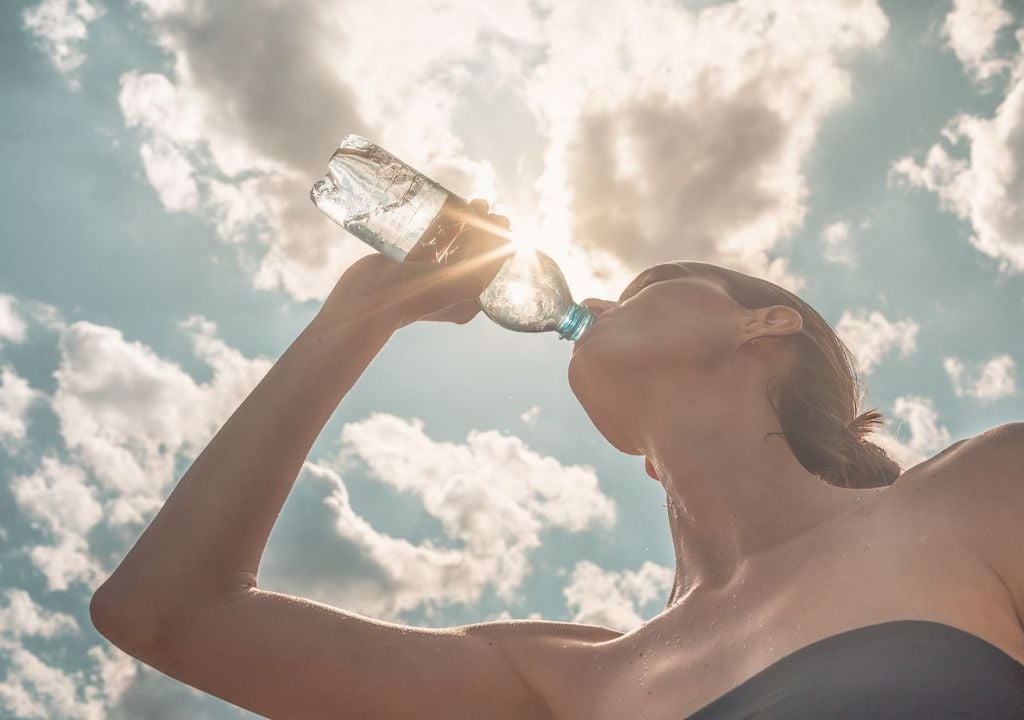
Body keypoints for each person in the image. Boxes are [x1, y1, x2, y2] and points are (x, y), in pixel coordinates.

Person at [90, 198, 1024, 719]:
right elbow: (166, 611)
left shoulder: (978, 495)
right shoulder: (562, 680)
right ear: (640, 461)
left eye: (647, 287)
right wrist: (354, 319)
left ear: (767, 323)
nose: (604, 304)